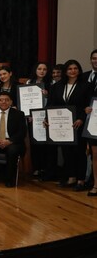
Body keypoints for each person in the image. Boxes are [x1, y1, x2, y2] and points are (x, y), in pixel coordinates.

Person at [47, 60, 90, 190]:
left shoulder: (86, 86)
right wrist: (47, 118)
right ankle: (71, 177)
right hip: (62, 125)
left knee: (79, 153)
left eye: (75, 68)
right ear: (65, 71)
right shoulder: (57, 86)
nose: (72, 71)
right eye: (70, 69)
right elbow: (51, 105)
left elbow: (88, 105)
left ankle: (81, 180)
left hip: (78, 124)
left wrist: (81, 119)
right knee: (66, 152)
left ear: (79, 70)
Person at [26, 62, 50, 178]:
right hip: (32, 118)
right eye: (39, 69)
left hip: (47, 118)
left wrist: (47, 95)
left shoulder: (51, 84)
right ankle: (36, 168)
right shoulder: (29, 83)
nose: (42, 71)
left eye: (44, 69)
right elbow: (25, 102)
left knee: (46, 145)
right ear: (35, 70)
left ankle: (45, 169)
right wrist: (27, 115)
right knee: (34, 143)